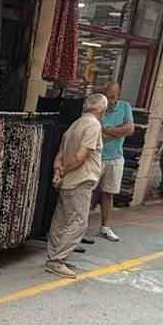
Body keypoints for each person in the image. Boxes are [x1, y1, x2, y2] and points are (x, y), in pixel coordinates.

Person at [46, 93, 106, 279]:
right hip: (80, 180)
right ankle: (57, 260)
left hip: (67, 181)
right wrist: (64, 172)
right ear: (100, 110)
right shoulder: (93, 125)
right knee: (79, 221)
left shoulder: (75, 124)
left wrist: (58, 172)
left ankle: (54, 257)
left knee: (61, 220)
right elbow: (81, 157)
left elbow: (60, 155)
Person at [96, 82, 133, 243]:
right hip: (97, 157)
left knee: (108, 193)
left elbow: (130, 129)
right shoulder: (98, 108)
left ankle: (105, 227)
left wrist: (108, 130)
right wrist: (119, 131)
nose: (110, 101)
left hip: (116, 157)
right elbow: (97, 136)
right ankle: (79, 228)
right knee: (89, 193)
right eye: (107, 96)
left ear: (118, 95)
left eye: (113, 97)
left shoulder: (125, 107)